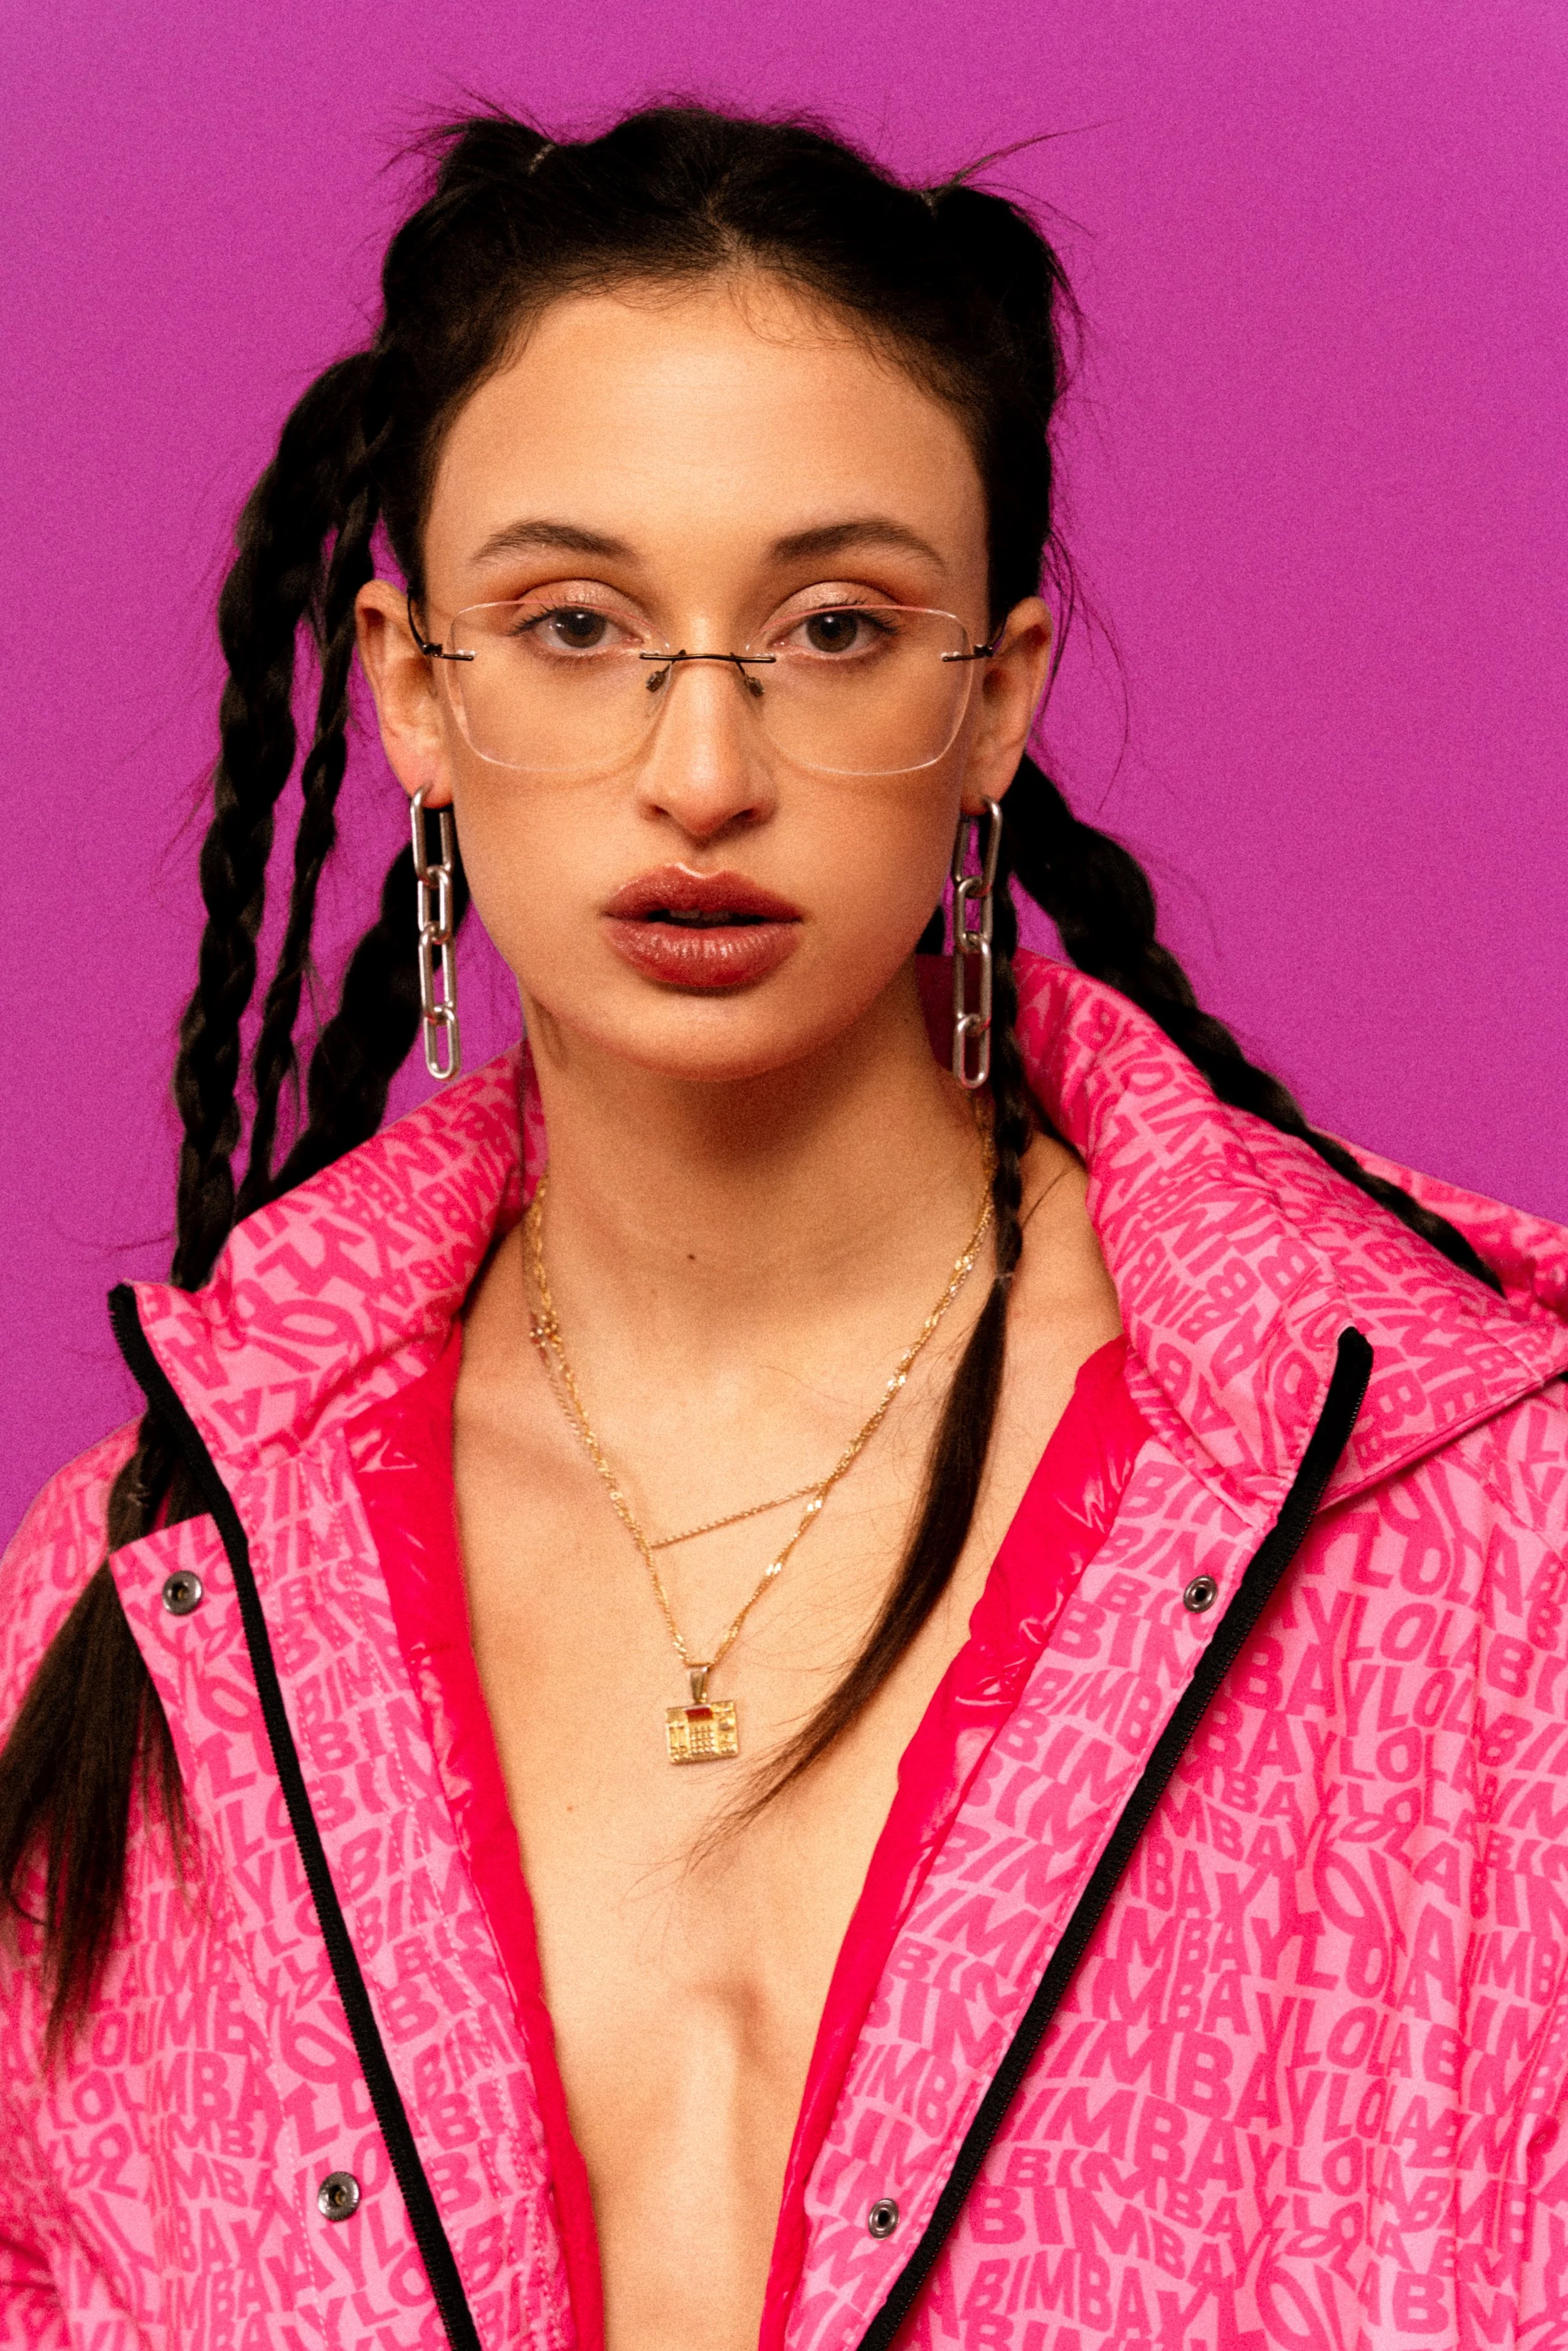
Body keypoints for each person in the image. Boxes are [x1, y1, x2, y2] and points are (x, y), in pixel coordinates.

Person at [1, 101, 1565, 2351]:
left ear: (993, 696)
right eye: (573, 622)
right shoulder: (137, 1616)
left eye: (832, 624)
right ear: (414, 692)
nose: (705, 766)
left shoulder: (1480, 1541)